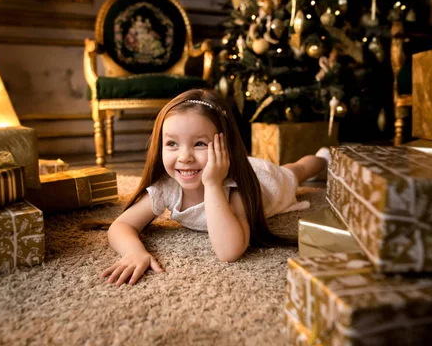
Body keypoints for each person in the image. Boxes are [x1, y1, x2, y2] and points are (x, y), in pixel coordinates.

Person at [100, 89, 329, 286]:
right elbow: (121, 225)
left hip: (263, 178)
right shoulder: (167, 187)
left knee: (295, 171)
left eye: (199, 143)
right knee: (293, 170)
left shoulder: (236, 188)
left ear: (224, 146)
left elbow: (229, 251)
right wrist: (134, 251)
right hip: (226, 169)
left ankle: (325, 158)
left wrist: (212, 183)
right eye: (172, 143)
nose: (185, 157)